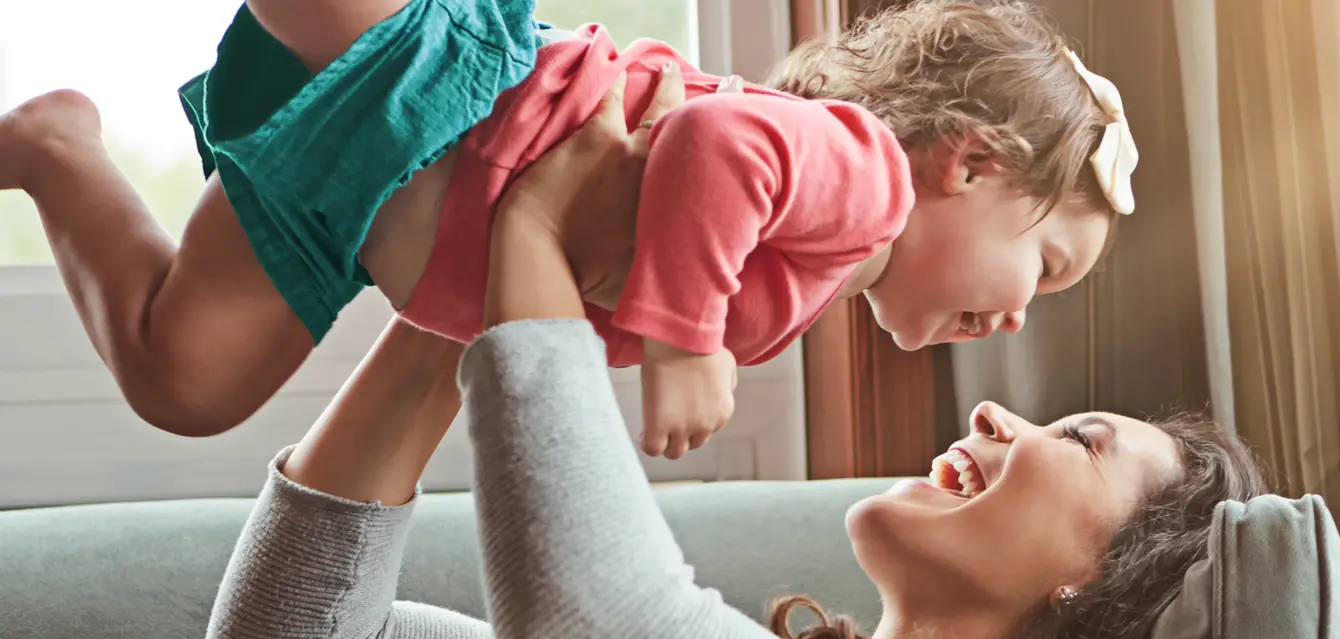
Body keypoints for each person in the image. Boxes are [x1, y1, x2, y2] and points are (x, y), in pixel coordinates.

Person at [200, 67, 1262, 639]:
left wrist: (530, 237)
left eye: (1080, 439)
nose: (992, 412)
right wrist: (466, 281)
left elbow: (596, 632)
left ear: (1103, 580)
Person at [0, 0, 1139, 460]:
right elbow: (717, 150)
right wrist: (687, 341)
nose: (1018, 312)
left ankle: (55, 151)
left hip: (363, 210)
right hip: (441, 92)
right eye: (1046, 263)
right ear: (971, 162)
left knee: (183, 382)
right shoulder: (870, 182)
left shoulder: (815, 277)